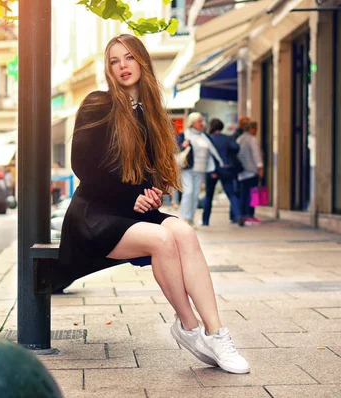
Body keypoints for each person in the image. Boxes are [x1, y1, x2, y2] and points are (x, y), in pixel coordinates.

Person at [59, 34, 250, 374]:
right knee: (162, 239)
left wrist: (152, 193)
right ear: (109, 69)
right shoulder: (97, 104)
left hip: (131, 213)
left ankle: (217, 332)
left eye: (129, 58)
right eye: (115, 61)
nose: (123, 66)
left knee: (184, 232)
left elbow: (149, 173)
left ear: (142, 61)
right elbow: (83, 166)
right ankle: (189, 327)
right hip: (94, 215)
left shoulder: (151, 114)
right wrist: (131, 196)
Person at [177, 112, 224, 226]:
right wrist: (183, 146)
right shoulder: (185, 135)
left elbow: (211, 153)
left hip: (200, 170)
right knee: (188, 192)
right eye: (199, 121)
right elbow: (175, 149)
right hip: (187, 169)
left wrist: (213, 169)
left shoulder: (205, 137)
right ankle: (183, 219)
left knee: (195, 195)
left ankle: (190, 219)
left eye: (202, 121)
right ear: (192, 122)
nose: (202, 123)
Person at [202, 119, 243, 227]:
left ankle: (205, 221)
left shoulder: (208, 138)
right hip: (226, 169)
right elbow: (236, 148)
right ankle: (238, 216)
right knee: (231, 194)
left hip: (212, 170)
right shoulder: (228, 138)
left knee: (209, 195)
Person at [236, 121, 264, 225]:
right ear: (251, 129)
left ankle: (243, 215)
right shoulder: (252, 139)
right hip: (252, 171)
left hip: (242, 172)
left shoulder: (239, 139)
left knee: (243, 194)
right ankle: (250, 215)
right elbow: (256, 154)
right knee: (253, 194)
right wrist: (260, 168)